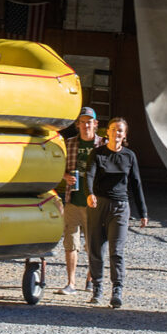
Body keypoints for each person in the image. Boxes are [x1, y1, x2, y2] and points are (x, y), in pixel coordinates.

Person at [85, 116, 149, 308]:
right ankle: (97, 287)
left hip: (121, 206)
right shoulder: (97, 154)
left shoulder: (129, 156)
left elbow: (136, 184)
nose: (116, 133)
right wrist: (90, 194)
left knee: (117, 250)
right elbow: (89, 174)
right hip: (99, 205)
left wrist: (143, 211)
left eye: (120, 130)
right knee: (96, 247)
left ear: (124, 135)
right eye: (113, 129)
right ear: (107, 132)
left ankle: (117, 290)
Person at [56, 106, 101, 294]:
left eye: (89, 122)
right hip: (73, 199)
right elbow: (59, 166)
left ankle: (90, 279)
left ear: (96, 124)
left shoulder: (102, 146)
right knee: (70, 243)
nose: (86, 125)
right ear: (78, 125)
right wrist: (65, 176)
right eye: (82, 122)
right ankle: (71, 282)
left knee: (93, 244)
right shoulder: (70, 143)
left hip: (93, 204)